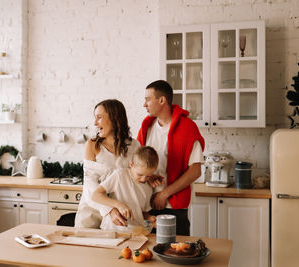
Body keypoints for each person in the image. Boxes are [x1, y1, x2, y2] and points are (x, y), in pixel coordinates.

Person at [137, 80, 205, 236]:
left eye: (148, 99)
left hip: (174, 206)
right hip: (147, 205)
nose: (144, 104)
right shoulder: (146, 126)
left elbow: (195, 171)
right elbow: (137, 162)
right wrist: (148, 177)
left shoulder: (187, 127)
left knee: (176, 251)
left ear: (162, 100)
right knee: (148, 254)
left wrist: (164, 194)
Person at [75, 99, 142, 228]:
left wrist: (151, 177)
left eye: (99, 117)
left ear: (114, 118)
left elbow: (137, 179)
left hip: (121, 218)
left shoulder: (135, 146)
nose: (95, 123)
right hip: (92, 214)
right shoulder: (93, 145)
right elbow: (90, 185)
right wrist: (110, 209)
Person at [91, 146, 158, 231]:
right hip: (113, 230)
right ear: (131, 164)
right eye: (140, 175)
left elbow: (140, 212)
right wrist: (119, 205)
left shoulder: (148, 188)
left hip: (135, 232)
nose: (143, 179)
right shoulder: (120, 175)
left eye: (149, 176)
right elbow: (95, 195)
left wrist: (149, 217)